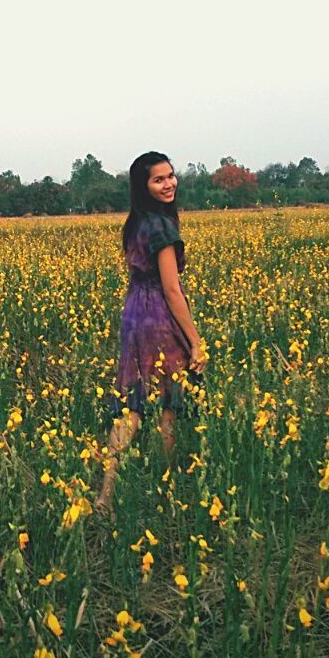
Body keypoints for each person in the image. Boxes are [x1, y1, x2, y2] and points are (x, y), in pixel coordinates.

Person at [94, 151, 209, 517]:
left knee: (132, 405)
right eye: (158, 179)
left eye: (171, 176)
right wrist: (195, 341)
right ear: (143, 186)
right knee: (168, 407)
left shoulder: (136, 223)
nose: (169, 183)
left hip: (134, 316)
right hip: (159, 316)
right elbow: (172, 289)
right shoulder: (161, 228)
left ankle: (105, 496)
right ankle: (165, 492)